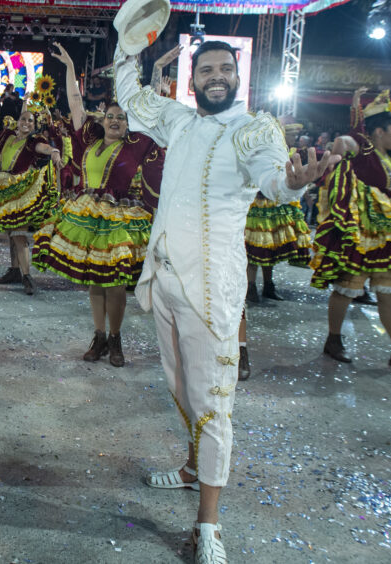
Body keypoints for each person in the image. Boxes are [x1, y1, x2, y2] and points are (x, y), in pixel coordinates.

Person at [114, 33, 339, 564]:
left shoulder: (254, 129)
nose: (216, 77)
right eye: (207, 70)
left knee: (213, 403)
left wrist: (294, 184)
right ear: (194, 79)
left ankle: (209, 525)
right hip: (163, 280)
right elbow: (130, 96)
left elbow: (272, 179)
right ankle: (192, 468)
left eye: (225, 69)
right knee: (180, 388)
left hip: (211, 289)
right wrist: (129, 47)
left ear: (238, 76)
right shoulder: (180, 120)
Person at [34, 41, 167, 366]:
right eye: (110, 116)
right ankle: (99, 336)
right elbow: (76, 102)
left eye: (121, 118)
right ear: (103, 119)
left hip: (121, 220)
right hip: (87, 217)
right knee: (94, 281)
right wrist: (68, 67)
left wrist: (158, 77)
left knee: (116, 283)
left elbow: (154, 117)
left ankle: (117, 338)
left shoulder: (136, 146)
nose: (115, 121)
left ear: (127, 123)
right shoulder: (88, 142)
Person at [311, 88, 391, 373]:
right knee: (347, 289)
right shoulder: (364, 153)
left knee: (389, 292)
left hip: (389, 235)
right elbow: (353, 133)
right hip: (361, 232)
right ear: (377, 132)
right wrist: (356, 107)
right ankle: (334, 340)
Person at [0, 101, 63, 296]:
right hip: (4, 187)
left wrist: (55, 152)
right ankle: (15, 270)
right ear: (18, 122)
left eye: (30, 121)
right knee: (11, 232)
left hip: (21, 192)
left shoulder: (33, 141)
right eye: (23, 119)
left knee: (18, 235)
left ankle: (27, 276)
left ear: (34, 126)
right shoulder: (8, 137)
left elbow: (45, 148)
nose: (26, 123)